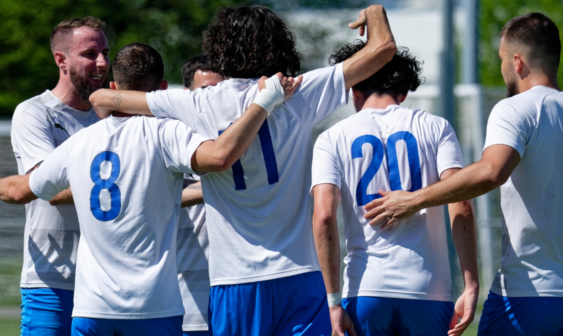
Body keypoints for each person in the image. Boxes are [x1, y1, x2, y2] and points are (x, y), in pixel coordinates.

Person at [88, 4, 397, 335]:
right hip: (299, 275)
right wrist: (375, 11)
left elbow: (103, 99)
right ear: (278, 45)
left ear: (220, 48)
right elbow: (383, 49)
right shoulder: (298, 92)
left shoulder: (195, 102)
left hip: (235, 280)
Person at [0, 42, 300, 335]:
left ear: (115, 86)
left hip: (92, 309)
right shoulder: (166, 133)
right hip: (153, 307)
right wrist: (263, 102)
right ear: (159, 89)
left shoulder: (80, 144)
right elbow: (219, 156)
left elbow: (19, 191)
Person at [363, 12, 563, 336]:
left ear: (517, 62)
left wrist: (413, 200)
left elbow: (492, 172)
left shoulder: (515, 108)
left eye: (502, 59)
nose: (503, 67)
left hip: (528, 295)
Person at [311, 41, 479, 336]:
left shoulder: (331, 137)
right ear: (402, 92)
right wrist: (471, 283)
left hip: (365, 289)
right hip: (428, 290)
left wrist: (333, 301)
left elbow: (324, 216)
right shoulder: (436, 127)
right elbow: (461, 203)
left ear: (355, 92)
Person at [10, 16, 109, 335]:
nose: (103, 62)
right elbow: (48, 188)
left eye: (105, 52)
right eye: (91, 54)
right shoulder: (34, 112)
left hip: (107, 282)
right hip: (51, 281)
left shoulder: (112, 120)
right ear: (60, 59)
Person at [177, 54, 225, 336]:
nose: (212, 99)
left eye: (218, 91)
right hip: (187, 298)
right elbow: (167, 194)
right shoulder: (173, 138)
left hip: (236, 293)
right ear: (186, 95)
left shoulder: (242, 138)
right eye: (204, 91)